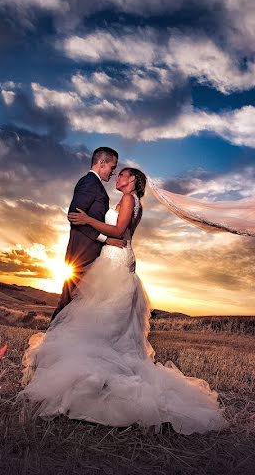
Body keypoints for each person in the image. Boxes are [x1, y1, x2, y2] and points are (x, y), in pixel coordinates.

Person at [17, 167, 229, 435]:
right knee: (109, 324)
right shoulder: (130, 201)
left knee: (101, 320)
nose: (117, 178)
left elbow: (118, 230)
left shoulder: (129, 200)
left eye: (122, 175)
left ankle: (99, 381)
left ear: (132, 182)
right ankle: (102, 376)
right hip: (117, 258)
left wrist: (87, 220)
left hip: (115, 261)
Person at [50, 147, 122, 322]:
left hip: (89, 252)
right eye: (113, 167)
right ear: (102, 163)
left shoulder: (94, 185)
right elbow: (74, 216)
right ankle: (50, 341)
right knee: (68, 300)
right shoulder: (90, 183)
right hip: (81, 253)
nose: (113, 173)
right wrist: (106, 239)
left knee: (79, 302)